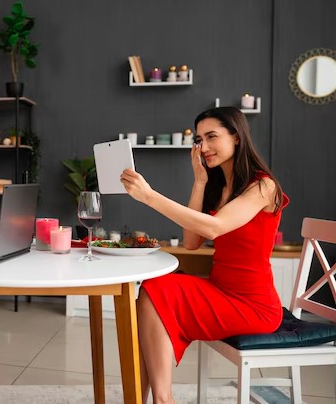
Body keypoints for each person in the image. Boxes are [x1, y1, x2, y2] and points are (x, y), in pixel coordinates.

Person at [120, 107, 288, 404]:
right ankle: (149, 399)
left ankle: (161, 399)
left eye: (212, 136)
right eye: (199, 139)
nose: (204, 147)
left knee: (156, 293)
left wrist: (149, 196)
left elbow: (215, 228)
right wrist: (199, 182)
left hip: (254, 305)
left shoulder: (263, 186)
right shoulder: (218, 186)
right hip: (220, 289)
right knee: (153, 288)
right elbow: (191, 241)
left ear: (236, 137)